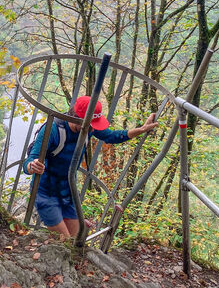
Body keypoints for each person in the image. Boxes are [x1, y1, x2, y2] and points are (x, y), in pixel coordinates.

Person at [22, 95, 158, 237]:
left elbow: (113, 136)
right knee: (65, 241)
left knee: (75, 240)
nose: (93, 128)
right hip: (45, 193)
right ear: (77, 118)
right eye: (91, 124)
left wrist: (142, 129)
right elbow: (30, 161)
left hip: (67, 193)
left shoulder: (89, 127)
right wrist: (33, 166)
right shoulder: (53, 130)